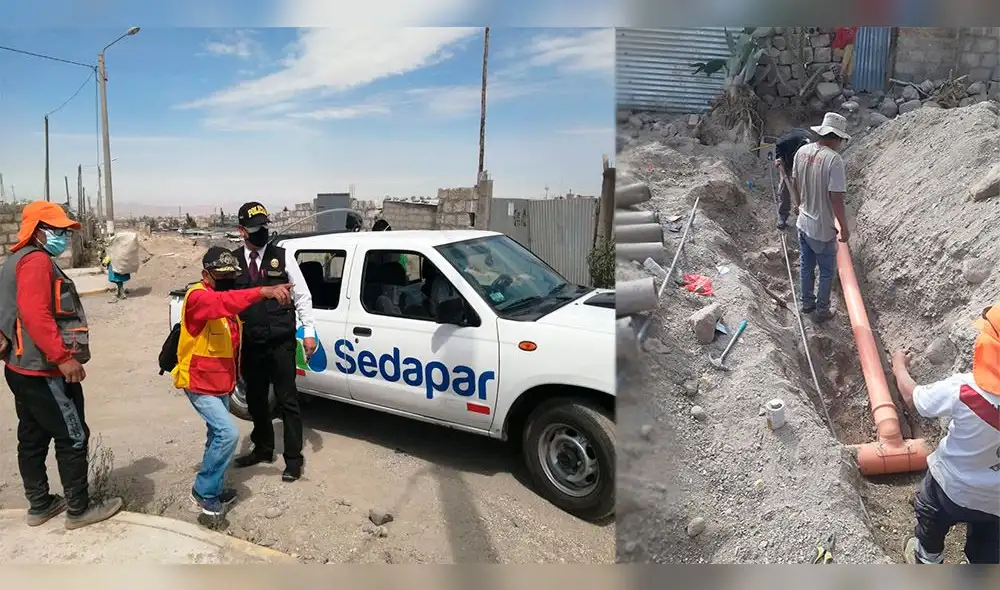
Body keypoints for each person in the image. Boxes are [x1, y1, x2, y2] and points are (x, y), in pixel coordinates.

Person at [0, 201, 123, 529]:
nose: (63, 236)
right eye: (56, 230)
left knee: (33, 436)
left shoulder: (15, 260)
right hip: (44, 371)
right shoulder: (37, 262)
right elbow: (35, 314)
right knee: (73, 435)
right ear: (37, 230)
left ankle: (40, 505)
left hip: (20, 368)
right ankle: (79, 510)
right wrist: (63, 358)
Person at [172, 246, 292, 515]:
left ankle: (212, 486)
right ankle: (204, 491)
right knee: (228, 433)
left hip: (221, 384)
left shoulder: (224, 299)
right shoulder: (199, 298)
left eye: (231, 274)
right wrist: (261, 292)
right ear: (206, 274)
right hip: (199, 383)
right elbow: (221, 305)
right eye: (221, 275)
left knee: (216, 434)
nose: (228, 279)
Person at [893, 306, 1000, 565]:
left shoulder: (964, 390)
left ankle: (927, 559)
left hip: (949, 486)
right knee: (990, 542)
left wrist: (898, 367)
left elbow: (914, 399)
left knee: (930, 515)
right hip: (995, 500)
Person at [230, 202, 317, 482]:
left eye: (265, 227)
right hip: (251, 344)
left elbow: (302, 296)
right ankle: (264, 447)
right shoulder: (233, 262)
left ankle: (293, 459)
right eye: (255, 229)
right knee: (255, 400)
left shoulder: (283, 256)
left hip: (281, 341)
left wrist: (309, 332)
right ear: (242, 231)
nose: (262, 233)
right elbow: (222, 300)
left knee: (287, 400)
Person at [784, 112, 851, 323]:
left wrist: (798, 203)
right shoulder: (834, 160)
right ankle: (822, 310)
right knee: (826, 272)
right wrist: (844, 227)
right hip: (821, 229)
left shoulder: (802, 151)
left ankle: (806, 304)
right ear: (837, 138)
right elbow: (836, 199)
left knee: (806, 266)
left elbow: (794, 181)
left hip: (802, 223)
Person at [773, 127, 812, 230]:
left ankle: (805, 214)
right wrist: (780, 164)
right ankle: (782, 216)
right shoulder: (782, 143)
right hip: (787, 162)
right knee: (784, 189)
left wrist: (797, 201)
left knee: (804, 187)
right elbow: (779, 157)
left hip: (801, 165)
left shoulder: (809, 147)